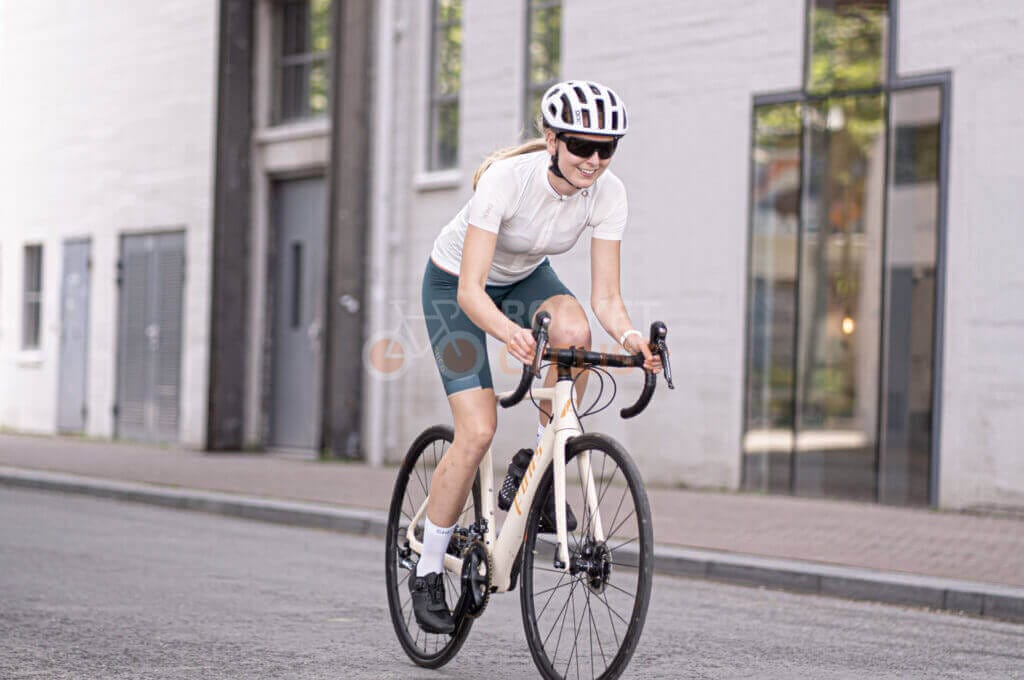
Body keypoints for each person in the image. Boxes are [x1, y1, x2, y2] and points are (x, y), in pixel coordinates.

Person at [412, 80, 659, 634]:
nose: (594, 160)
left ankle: (537, 464)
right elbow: (473, 292)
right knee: (476, 432)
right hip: (456, 286)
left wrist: (631, 339)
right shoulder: (506, 182)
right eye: (580, 146)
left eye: (607, 148)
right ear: (551, 140)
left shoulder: (609, 193)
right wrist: (509, 334)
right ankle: (427, 568)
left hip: (524, 277)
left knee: (575, 328)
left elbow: (606, 299)